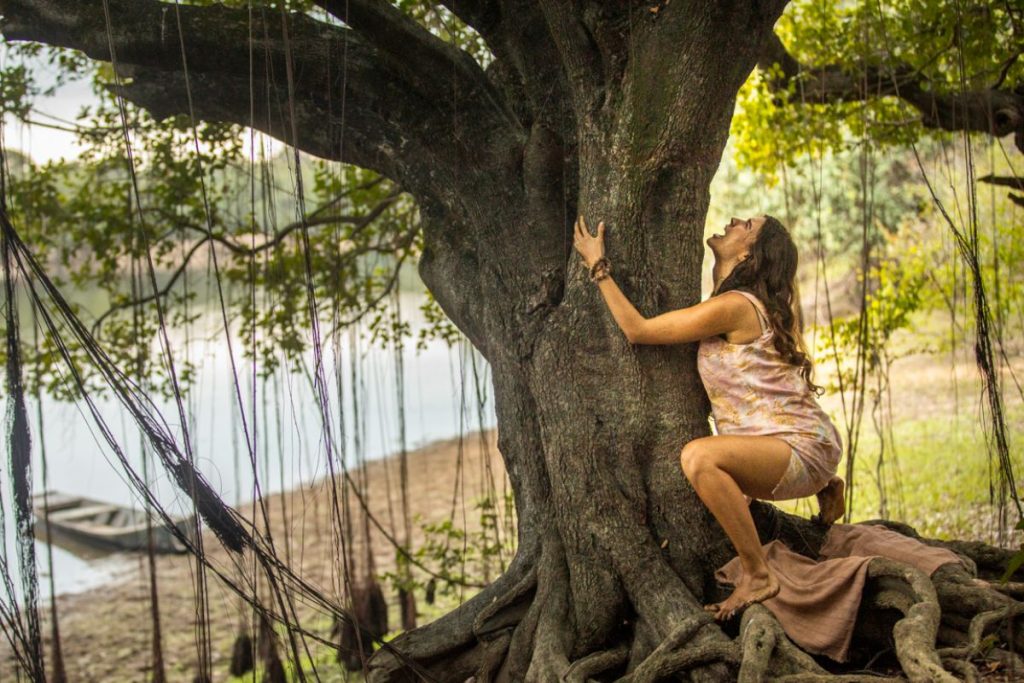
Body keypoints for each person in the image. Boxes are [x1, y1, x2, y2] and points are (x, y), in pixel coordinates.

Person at [572, 213, 845, 620]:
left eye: (746, 225)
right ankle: (826, 484)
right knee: (708, 457)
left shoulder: (735, 306)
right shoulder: (734, 303)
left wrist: (598, 265)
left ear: (750, 252)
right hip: (793, 444)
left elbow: (639, 331)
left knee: (699, 457)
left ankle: (757, 575)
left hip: (798, 448)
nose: (734, 220)